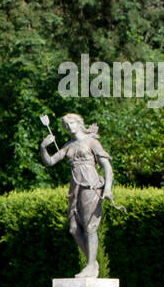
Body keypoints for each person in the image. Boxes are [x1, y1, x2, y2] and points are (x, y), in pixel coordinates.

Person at [40, 112, 113, 278]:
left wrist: (107, 188)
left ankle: (90, 266)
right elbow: (50, 162)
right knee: (74, 229)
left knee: (90, 227)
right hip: (75, 189)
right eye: (66, 125)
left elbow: (107, 166)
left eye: (71, 123)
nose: (68, 127)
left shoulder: (92, 142)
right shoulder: (68, 146)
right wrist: (43, 147)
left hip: (90, 185)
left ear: (79, 123)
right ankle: (92, 263)